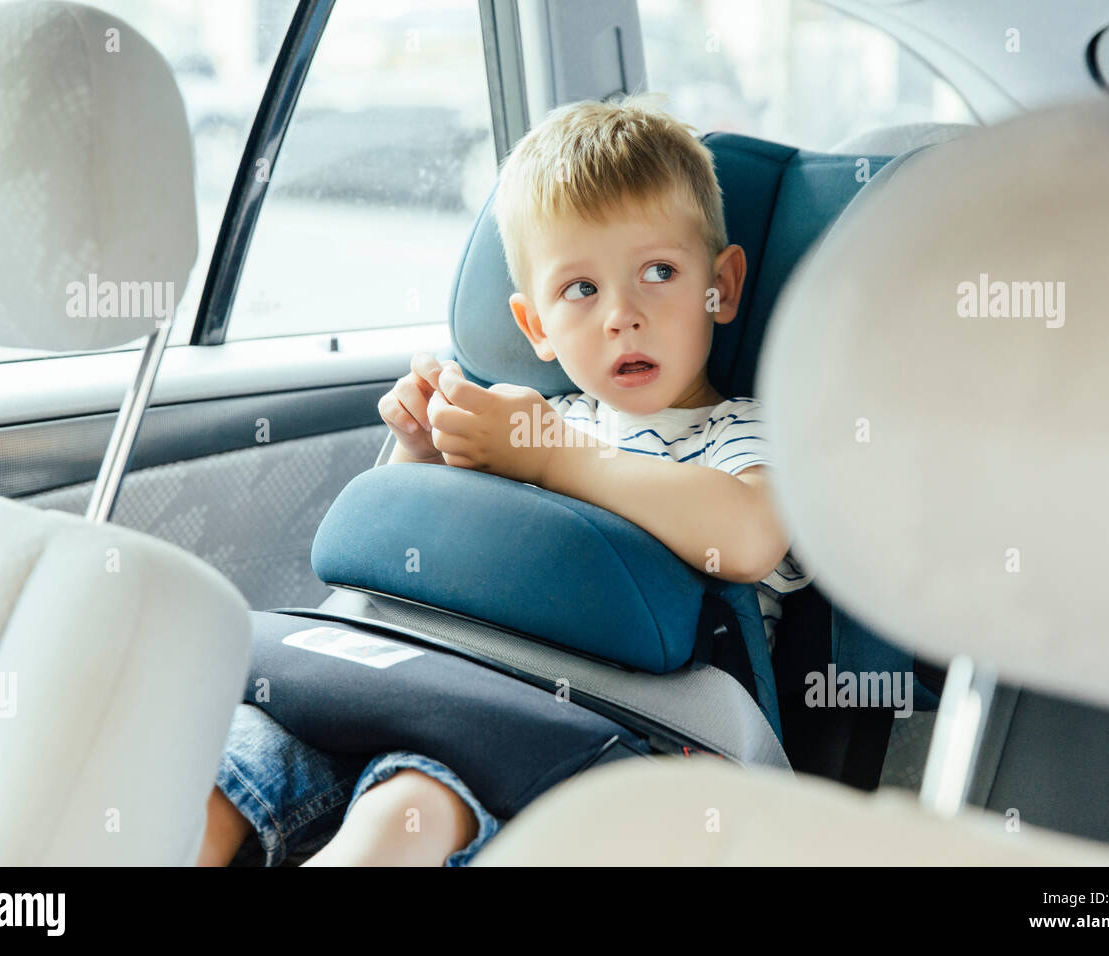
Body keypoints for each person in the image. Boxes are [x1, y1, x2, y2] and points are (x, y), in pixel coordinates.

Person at [198, 91, 808, 867]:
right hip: (438, 687)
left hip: (636, 736)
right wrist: (421, 452)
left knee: (412, 802)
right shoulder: (533, 417)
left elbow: (749, 537)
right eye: (581, 290)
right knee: (226, 764)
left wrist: (553, 459)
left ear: (720, 284)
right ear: (535, 327)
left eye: (659, 271)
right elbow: (440, 574)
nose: (621, 314)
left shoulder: (745, 432)